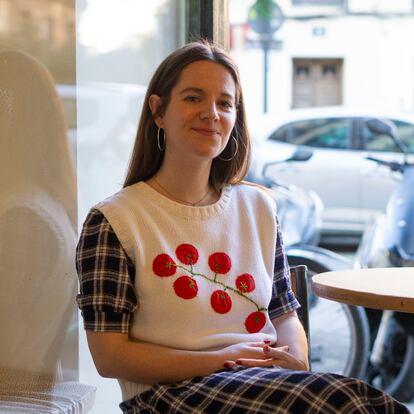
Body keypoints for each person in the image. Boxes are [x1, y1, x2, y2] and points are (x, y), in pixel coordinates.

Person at [76, 41, 408, 413]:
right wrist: (223, 357)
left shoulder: (259, 207)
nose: (211, 113)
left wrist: (295, 362)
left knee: (356, 401)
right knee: (345, 401)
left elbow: (284, 314)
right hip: (167, 395)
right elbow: (110, 357)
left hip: (267, 384)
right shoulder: (115, 221)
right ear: (158, 111)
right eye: (192, 98)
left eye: (225, 103)